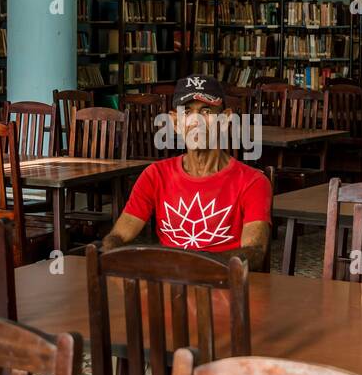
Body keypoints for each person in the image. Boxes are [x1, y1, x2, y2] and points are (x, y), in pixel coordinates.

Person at [102, 75, 271, 268]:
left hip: (225, 285)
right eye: (187, 112)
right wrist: (113, 254)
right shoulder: (155, 175)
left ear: (225, 120)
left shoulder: (253, 181)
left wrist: (191, 268)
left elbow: (254, 251)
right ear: (175, 122)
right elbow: (118, 236)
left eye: (206, 111)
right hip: (170, 288)